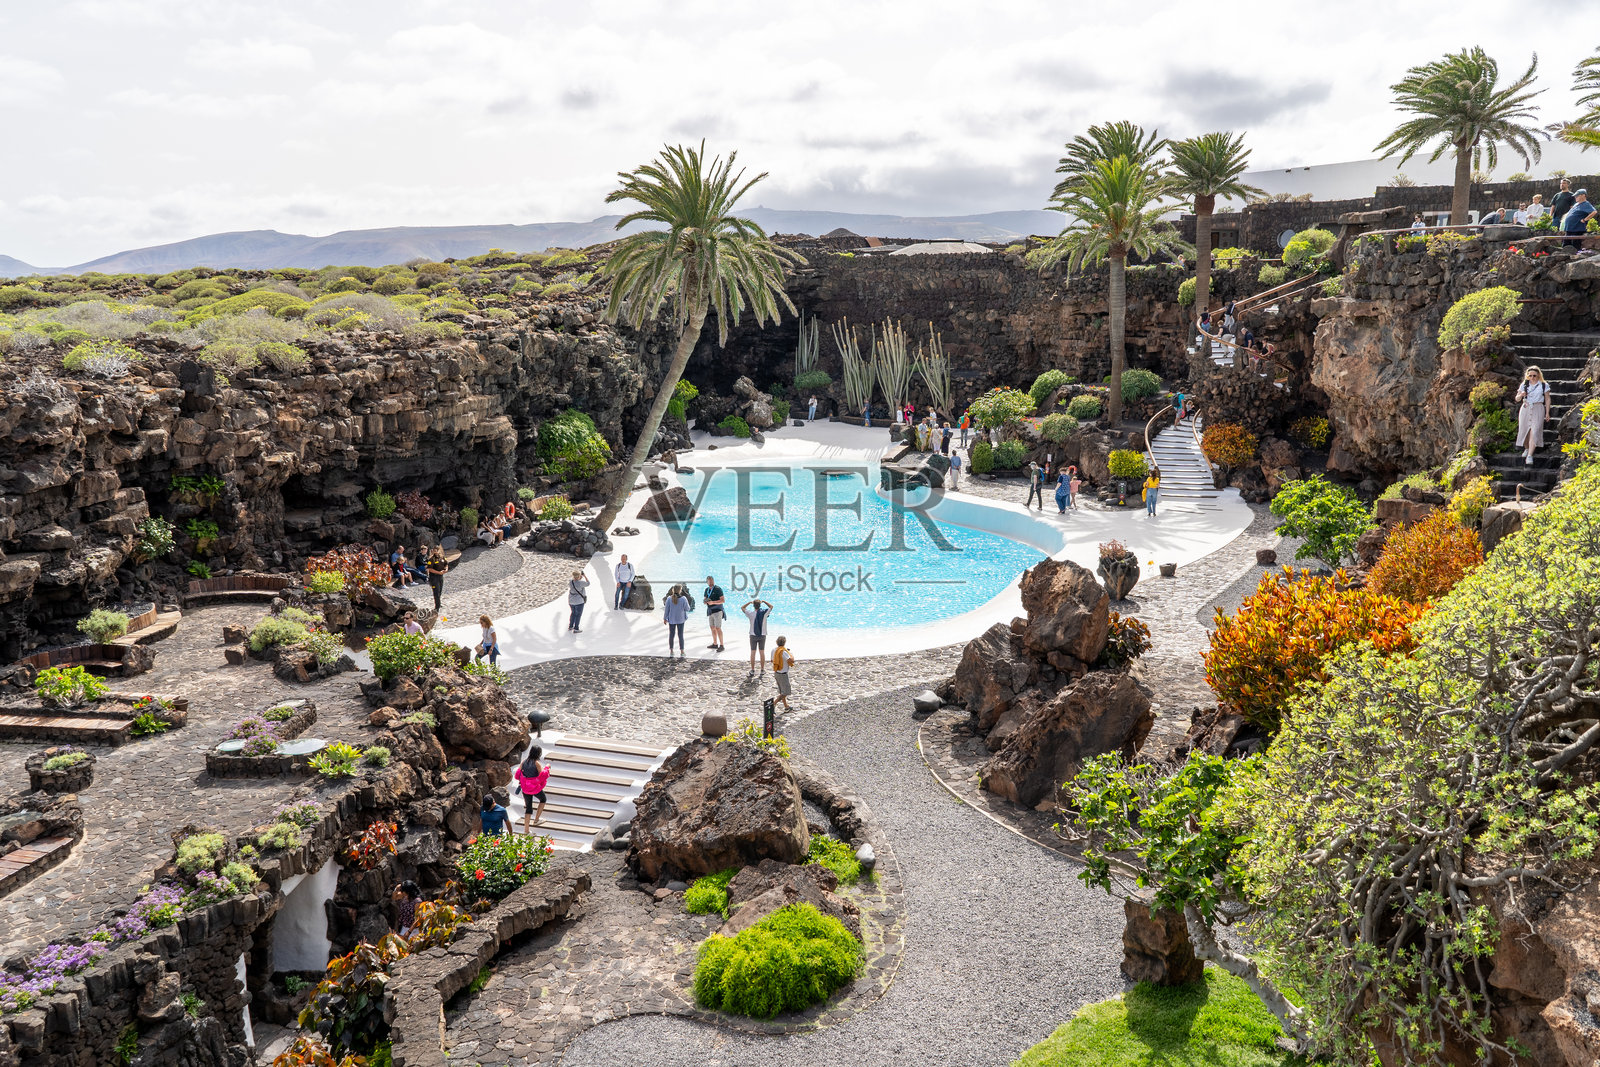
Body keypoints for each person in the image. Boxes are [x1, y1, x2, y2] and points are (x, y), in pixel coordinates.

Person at [1515, 366, 1550, 466]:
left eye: (1534, 375)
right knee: (1524, 431)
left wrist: (1547, 412)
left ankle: (1530, 455)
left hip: (1538, 408)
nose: (1532, 377)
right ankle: (1526, 448)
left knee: (1534, 431)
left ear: (1538, 375)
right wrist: (1521, 395)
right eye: (1530, 376)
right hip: (1526, 408)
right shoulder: (1524, 384)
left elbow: (1547, 399)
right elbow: (1517, 399)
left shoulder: (1543, 385)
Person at [514, 747, 550, 834]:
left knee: (528, 808)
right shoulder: (536, 763)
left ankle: (526, 830)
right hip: (534, 788)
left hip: (525, 788)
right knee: (543, 799)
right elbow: (542, 776)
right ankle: (537, 819)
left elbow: (517, 775)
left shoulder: (524, 762)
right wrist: (547, 767)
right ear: (538, 753)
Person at [743, 598, 772, 678]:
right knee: (762, 652)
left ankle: (752, 669)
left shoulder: (750, 613)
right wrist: (765, 601)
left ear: (754, 606)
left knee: (753, 652)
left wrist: (749, 602)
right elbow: (771, 606)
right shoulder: (764, 613)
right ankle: (762, 669)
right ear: (760, 605)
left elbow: (742, 608)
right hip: (762, 635)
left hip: (753, 635)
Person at [662, 584, 690, 658]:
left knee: (671, 635)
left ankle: (671, 651)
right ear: (680, 590)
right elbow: (687, 609)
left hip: (672, 619)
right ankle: (682, 651)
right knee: (680, 635)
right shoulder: (683, 599)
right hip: (680, 619)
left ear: (673, 590)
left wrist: (665, 618)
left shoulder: (669, 599)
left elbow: (666, 610)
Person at [772, 636, 795, 711]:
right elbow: (792, 660)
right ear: (784, 643)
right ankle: (774, 704)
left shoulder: (774, 650)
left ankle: (786, 707)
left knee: (782, 691)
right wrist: (790, 653)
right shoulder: (784, 652)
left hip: (776, 673)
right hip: (783, 674)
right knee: (785, 692)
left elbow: (772, 661)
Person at [704, 574, 726, 651]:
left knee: (718, 628)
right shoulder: (706, 590)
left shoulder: (718, 589)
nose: (711, 582)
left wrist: (713, 602)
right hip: (710, 611)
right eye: (709, 581)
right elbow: (705, 599)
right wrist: (705, 601)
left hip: (718, 611)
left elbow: (723, 600)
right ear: (707, 582)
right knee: (712, 627)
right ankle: (715, 644)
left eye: (712, 580)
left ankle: (722, 645)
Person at [425, 547, 447, 612]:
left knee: (440, 590)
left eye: (436, 550)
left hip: (440, 576)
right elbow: (430, 569)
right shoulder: (431, 559)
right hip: (434, 577)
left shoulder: (442, 557)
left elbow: (446, 564)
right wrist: (438, 572)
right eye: (434, 551)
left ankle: (439, 603)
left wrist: (445, 570)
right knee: (436, 591)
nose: (435, 552)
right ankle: (437, 606)